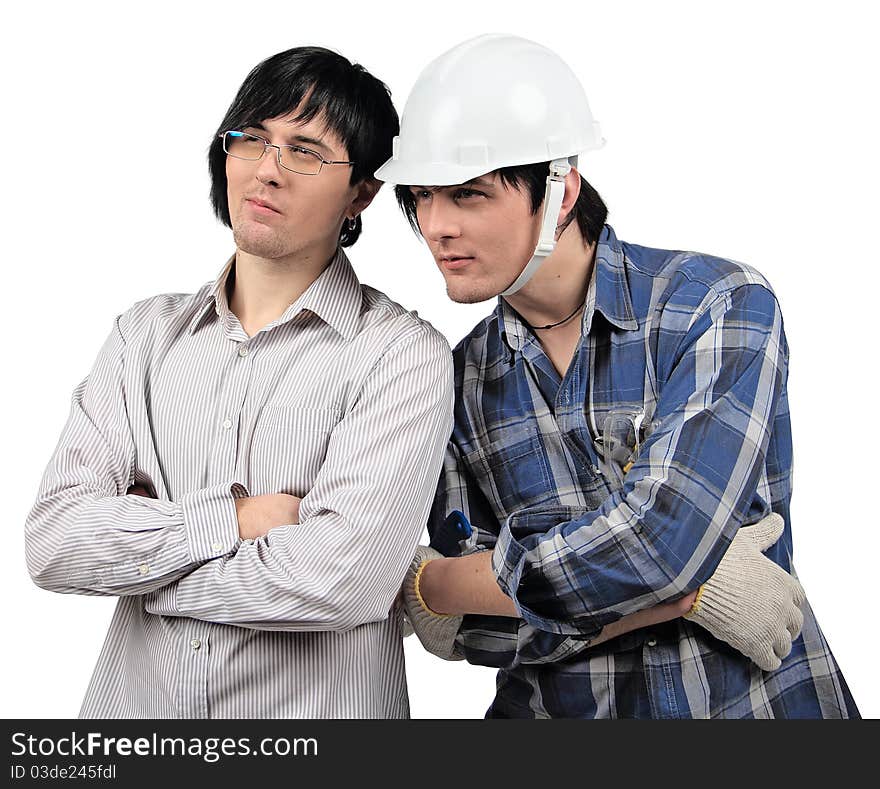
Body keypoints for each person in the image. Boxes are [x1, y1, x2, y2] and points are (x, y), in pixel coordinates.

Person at [380, 34, 860, 718]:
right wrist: (696, 590)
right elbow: (480, 636)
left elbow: (656, 540)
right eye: (422, 196)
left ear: (561, 190)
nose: (435, 226)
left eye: (468, 194)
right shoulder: (453, 381)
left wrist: (443, 582)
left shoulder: (717, 304)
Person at [24, 46, 455, 718]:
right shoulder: (143, 336)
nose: (267, 170)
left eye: (305, 150)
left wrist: (145, 565)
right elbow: (53, 543)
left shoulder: (400, 355)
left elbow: (342, 580)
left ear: (361, 193)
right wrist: (237, 519)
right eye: (251, 139)